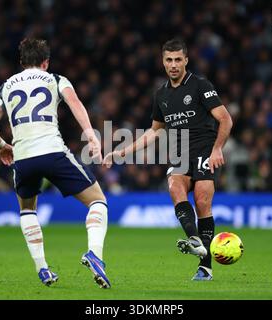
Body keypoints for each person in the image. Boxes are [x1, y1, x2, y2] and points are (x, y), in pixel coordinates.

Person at [0, 38, 111, 288]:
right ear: (46, 62)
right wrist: (92, 136)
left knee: (27, 210)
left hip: (23, 158)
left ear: (21, 62)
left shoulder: (5, 86)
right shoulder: (56, 79)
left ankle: (42, 269)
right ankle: (94, 254)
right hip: (52, 151)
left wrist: (1, 146)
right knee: (98, 201)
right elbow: (76, 104)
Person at [103, 38, 233, 280]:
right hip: (180, 152)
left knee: (203, 202)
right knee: (175, 186)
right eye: (168, 60)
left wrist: (217, 149)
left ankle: (205, 267)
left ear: (186, 61)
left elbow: (225, 119)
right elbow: (154, 130)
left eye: (177, 60)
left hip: (205, 148)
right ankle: (196, 240)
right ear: (163, 62)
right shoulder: (161, 94)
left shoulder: (200, 86)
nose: (173, 65)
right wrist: (122, 151)